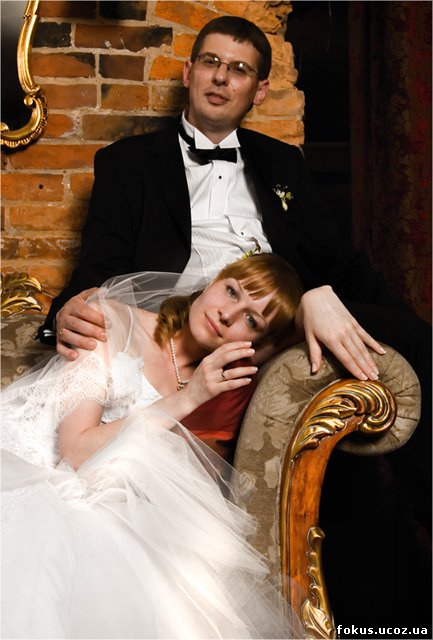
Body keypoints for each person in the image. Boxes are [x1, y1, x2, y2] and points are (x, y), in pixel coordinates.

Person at [35, 13, 430, 626]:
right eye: (212, 63)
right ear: (188, 73)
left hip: (274, 325)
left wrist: (323, 298)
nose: (222, 78)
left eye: (239, 70)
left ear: (259, 90)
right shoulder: (127, 162)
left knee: (402, 348)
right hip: (183, 334)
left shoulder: (283, 164)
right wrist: (66, 315)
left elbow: (340, 262)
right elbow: (98, 266)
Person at [1, 254, 306, 640]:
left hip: (102, 499)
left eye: (251, 320)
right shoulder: (111, 319)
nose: (228, 314)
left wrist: (316, 299)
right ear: (213, 281)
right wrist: (188, 398)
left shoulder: (213, 384)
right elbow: (75, 452)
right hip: (31, 470)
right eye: (232, 291)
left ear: (254, 345)